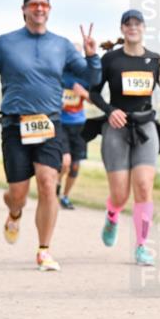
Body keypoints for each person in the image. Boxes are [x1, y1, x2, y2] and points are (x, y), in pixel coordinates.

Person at [0, 0, 101, 271]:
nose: (39, 9)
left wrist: (92, 56)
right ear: (24, 9)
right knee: (18, 194)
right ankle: (14, 212)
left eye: (44, 5)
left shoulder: (61, 45)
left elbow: (91, 78)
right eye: (34, 4)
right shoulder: (5, 43)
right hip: (15, 124)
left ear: (49, 10)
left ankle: (44, 250)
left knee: (48, 183)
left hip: (49, 123)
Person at [88, 10, 160, 265]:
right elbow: (94, 93)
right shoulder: (110, 59)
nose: (132, 27)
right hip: (116, 128)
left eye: (137, 23)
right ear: (122, 29)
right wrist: (111, 111)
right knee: (120, 194)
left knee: (143, 185)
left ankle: (142, 246)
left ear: (143, 28)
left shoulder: (155, 60)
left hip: (145, 126)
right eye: (127, 23)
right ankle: (112, 215)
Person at [57, 52, 91, 210]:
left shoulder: (85, 77)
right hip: (61, 124)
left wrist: (84, 93)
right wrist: (58, 104)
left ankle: (65, 196)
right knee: (65, 162)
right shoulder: (59, 75)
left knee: (75, 166)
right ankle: (56, 186)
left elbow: (95, 98)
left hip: (79, 125)